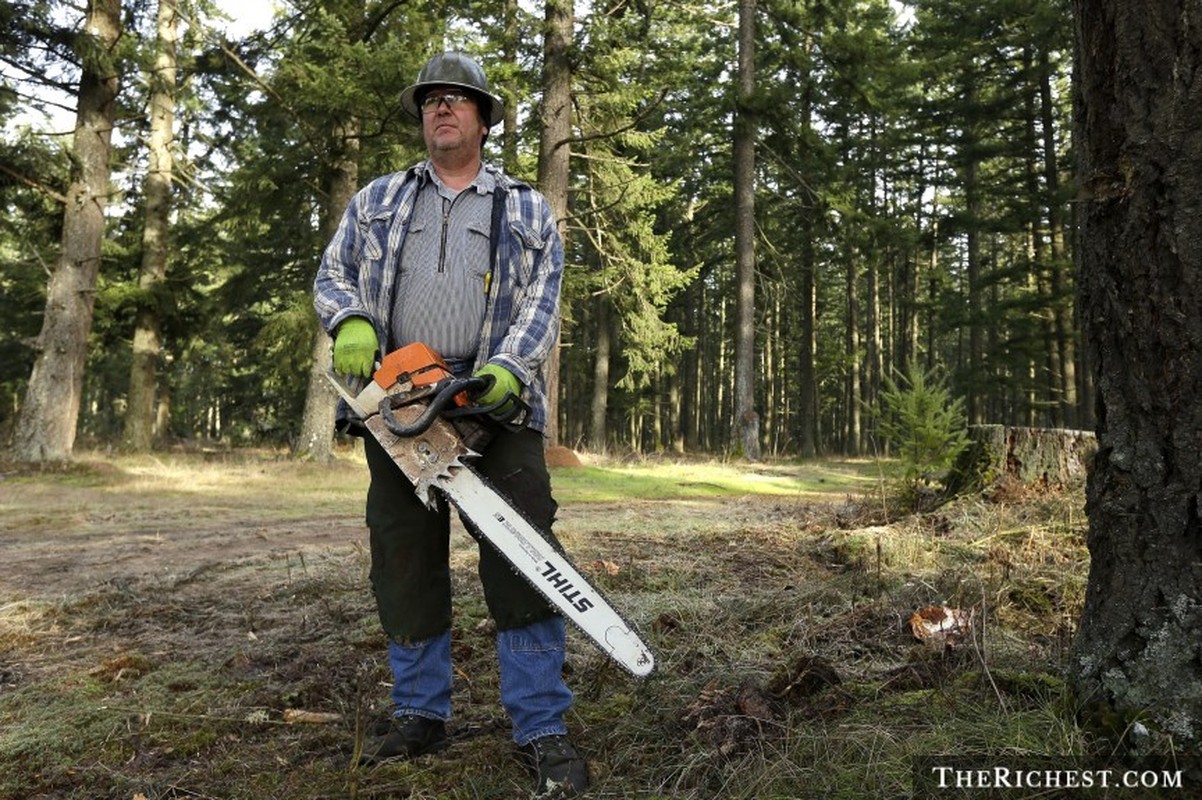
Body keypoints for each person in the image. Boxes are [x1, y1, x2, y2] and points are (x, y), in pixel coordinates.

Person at [313, 52, 587, 797]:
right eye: (432, 100)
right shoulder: (378, 199)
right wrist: (352, 319)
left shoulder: (526, 206)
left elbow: (541, 300)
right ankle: (419, 712)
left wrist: (509, 366)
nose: (443, 109)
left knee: (520, 551)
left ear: (483, 119)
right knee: (403, 554)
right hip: (400, 401)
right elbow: (333, 273)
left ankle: (539, 722)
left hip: (492, 398)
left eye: (457, 100)